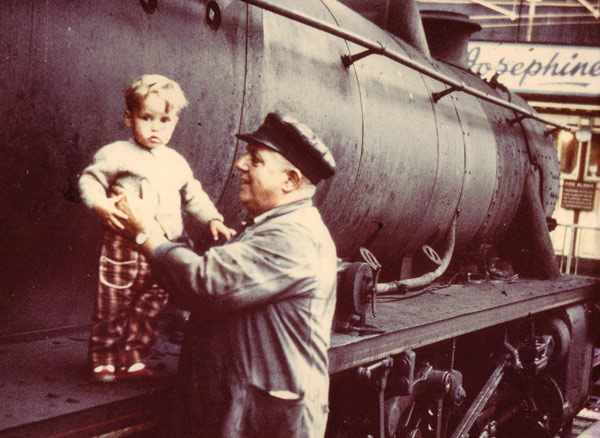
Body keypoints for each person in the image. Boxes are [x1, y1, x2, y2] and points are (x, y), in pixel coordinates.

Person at [116, 112, 337, 437]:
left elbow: (207, 284)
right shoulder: (272, 225)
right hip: (245, 411)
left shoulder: (293, 235)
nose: (240, 165)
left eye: (256, 160)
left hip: (263, 423)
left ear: (290, 180)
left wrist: (147, 233)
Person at [78, 74, 235, 383]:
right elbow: (90, 180)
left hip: (164, 246)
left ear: (174, 122)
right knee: (114, 303)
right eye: (146, 118)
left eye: (164, 120)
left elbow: (193, 194)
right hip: (124, 245)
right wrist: (100, 205)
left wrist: (213, 219)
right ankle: (104, 357)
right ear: (129, 117)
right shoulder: (115, 154)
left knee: (149, 305)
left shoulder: (176, 162)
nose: (155, 127)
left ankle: (133, 355)